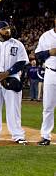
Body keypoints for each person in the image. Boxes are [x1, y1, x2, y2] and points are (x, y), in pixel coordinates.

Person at [34, 18, 56, 146]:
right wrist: (49, 52)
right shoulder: (46, 36)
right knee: (48, 106)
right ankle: (45, 136)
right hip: (51, 72)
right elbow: (37, 55)